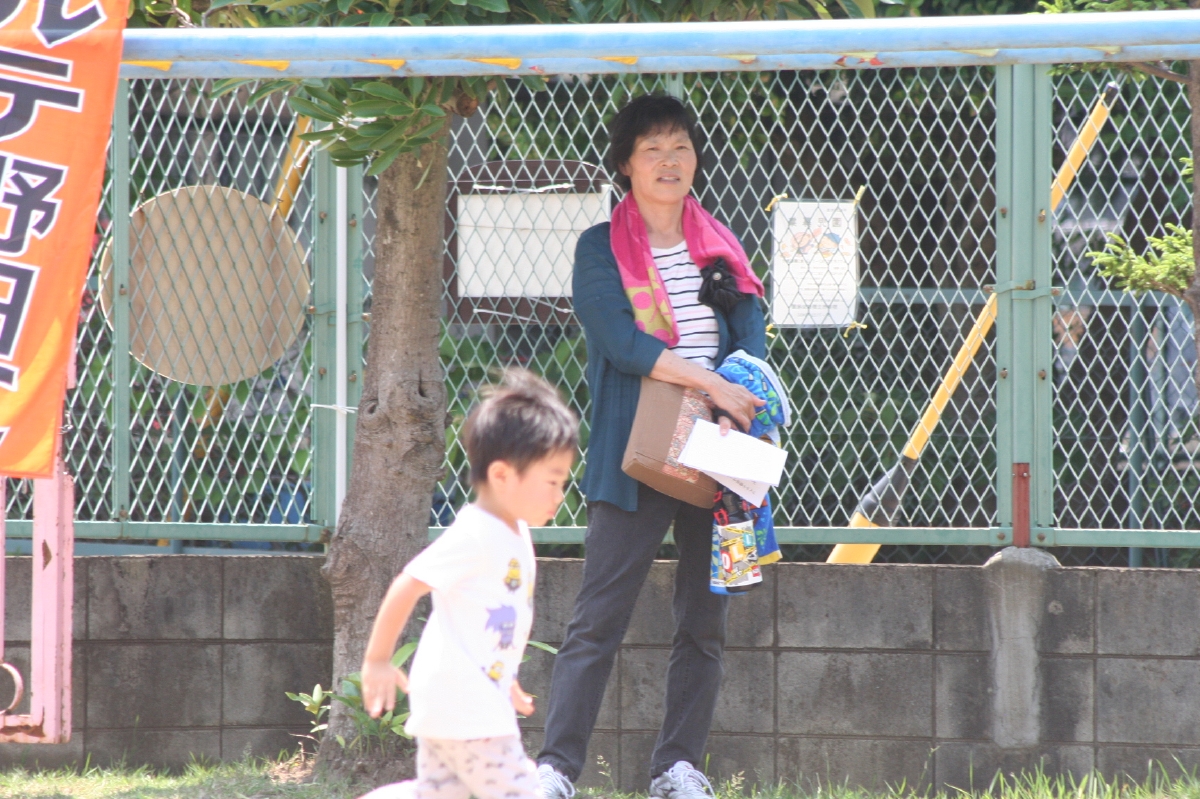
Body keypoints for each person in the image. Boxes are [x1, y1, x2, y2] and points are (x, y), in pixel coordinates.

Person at [536, 94, 768, 799]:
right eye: (652, 149)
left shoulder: (722, 244)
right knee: (596, 619)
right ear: (625, 165)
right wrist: (711, 383)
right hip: (634, 452)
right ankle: (555, 769)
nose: (670, 161)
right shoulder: (599, 247)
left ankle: (678, 768)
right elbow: (623, 344)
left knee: (705, 621)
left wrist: (734, 400)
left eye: (681, 147)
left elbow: (751, 342)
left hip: (721, 452)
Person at [357, 370, 579, 799]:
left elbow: (486, 624)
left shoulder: (514, 530)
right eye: (552, 481)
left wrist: (504, 677)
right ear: (502, 476)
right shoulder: (476, 533)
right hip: (467, 709)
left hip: (462, 702)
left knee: (439, 793)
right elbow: (408, 583)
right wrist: (378, 660)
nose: (559, 495)